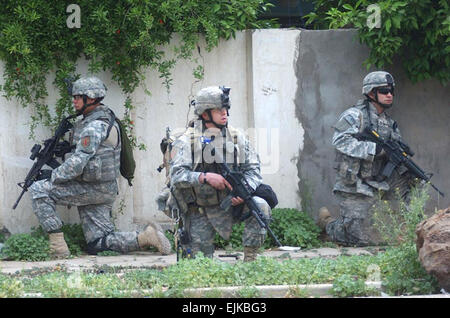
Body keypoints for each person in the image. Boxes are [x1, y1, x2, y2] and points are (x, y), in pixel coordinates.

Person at [29, 76, 171, 258]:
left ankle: (58, 248)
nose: (74, 101)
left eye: (77, 97)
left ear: (91, 98)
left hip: (93, 188)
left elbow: (77, 164)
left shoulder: (94, 126)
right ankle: (146, 237)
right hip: (103, 188)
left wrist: (53, 175)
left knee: (39, 189)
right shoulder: (102, 119)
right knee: (97, 243)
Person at [168, 86, 271, 261]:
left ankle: (251, 260)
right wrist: (204, 177)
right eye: (218, 110)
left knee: (260, 206)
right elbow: (176, 176)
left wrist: (242, 191)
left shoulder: (237, 137)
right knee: (200, 266)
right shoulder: (187, 141)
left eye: (226, 109)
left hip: (230, 203)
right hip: (200, 209)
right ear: (205, 113)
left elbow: (253, 169)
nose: (224, 114)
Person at [318, 71, 416, 246]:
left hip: (380, 179)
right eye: (384, 90)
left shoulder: (389, 123)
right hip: (356, 182)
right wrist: (374, 149)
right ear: (371, 93)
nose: (389, 95)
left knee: (413, 183)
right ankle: (328, 224)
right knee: (358, 239)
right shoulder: (354, 116)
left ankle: (412, 230)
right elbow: (340, 140)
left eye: (391, 91)